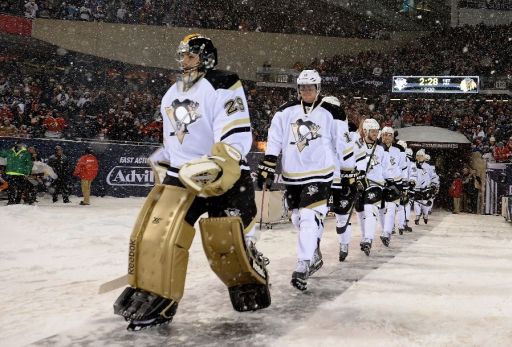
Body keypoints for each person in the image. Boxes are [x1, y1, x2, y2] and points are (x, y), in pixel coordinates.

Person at [114, 34, 270, 331]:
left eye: (190, 55)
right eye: (182, 55)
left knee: (227, 246)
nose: (184, 61)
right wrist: (165, 158)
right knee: (159, 237)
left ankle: (249, 277)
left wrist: (221, 160)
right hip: (183, 175)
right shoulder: (171, 92)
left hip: (220, 176)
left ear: (206, 58)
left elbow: (236, 131)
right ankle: (160, 297)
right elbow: (173, 137)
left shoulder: (223, 83)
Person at [258, 69, 354, 291]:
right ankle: (314, 253)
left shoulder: (333, 112)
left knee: (310, 216)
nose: (306, 91)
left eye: (310, 88)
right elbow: (274, 138)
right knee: (298, 219)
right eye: (302, 88)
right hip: (293, 175)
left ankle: (303, 264)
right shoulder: (285, 111)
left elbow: (343, 143)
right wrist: (269, 162)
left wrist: (348, 171)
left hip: (321, 173)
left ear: (318, 88)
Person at [353, 118, 391, 255]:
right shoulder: (356, 145)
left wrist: (393, 182)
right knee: (360, 213)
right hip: (358, 185)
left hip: (375, 185)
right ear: (365, 131)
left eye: (376, 131)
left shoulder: (381, 149)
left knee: (370, 210)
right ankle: (365, 238)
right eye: (372, 131)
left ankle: (368, 239)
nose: (375, 133)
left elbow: (387, 169)